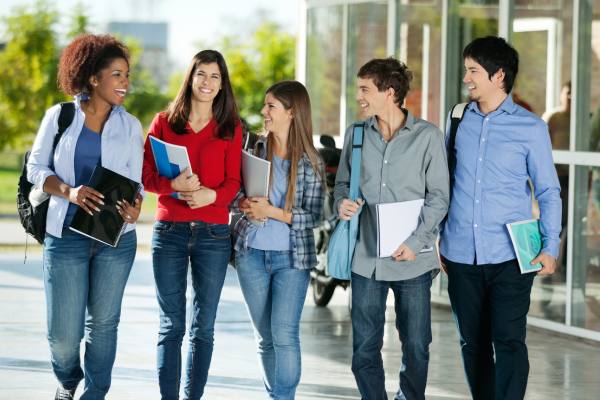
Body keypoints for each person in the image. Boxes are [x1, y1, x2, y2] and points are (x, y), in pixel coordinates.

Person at [440, 36, 562, 400]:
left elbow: (548, 192)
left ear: (498, 75)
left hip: (511, 255)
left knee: (508, 340)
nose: (467, 79)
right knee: (471, 343)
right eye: (466, 71)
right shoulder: (458, 118)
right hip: (461, 252)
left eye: (473, 71)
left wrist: (551, 246)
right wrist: (439, 236)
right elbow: (444, 179)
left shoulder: (531, 128)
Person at [27, 34, 143, 400]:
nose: (125, 83)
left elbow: (136, 182)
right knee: (63, 335)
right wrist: (69, 191)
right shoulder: (60, 116)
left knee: (104, 325)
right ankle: (67, 379)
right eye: (117, 75)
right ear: (94, 79)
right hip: (66, 236)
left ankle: (95, 394)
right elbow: (35, 167)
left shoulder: (131, 126)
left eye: (127, 75)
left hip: (115, 240)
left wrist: (136, 206)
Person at [334, 58, 449, 400]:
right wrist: (341, 203)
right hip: (366, 258)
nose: (360, 97)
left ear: (390, 92)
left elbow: (440, 197)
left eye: (366, 90)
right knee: (364, 347)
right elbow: (341, 186)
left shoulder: (428, 137)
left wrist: (417, 241)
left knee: (416, 344)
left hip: (412, 259)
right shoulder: (356, 135)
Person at [141, 49, 242, 400]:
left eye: (216, 76)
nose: (208, 82)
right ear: (191, 77)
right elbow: (147, 177)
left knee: (204, 328)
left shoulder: (231, 127)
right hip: (169, 231)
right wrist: (175, 187)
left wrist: (210, 197)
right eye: (202, 74)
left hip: (213, 234)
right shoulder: (164, 122)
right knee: (171, 326)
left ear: (222, 84)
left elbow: (233, 184)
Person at [232, 80, 325, 399]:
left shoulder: (312, 162)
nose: (263, 112)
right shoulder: (252, 149)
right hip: (251, 255)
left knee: (284, 335)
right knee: (265, 338)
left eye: (271, 106)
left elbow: (316, 216)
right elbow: (234, 196)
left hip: (292, 260)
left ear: (291, 112)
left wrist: (273, 211)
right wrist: (245, 205)